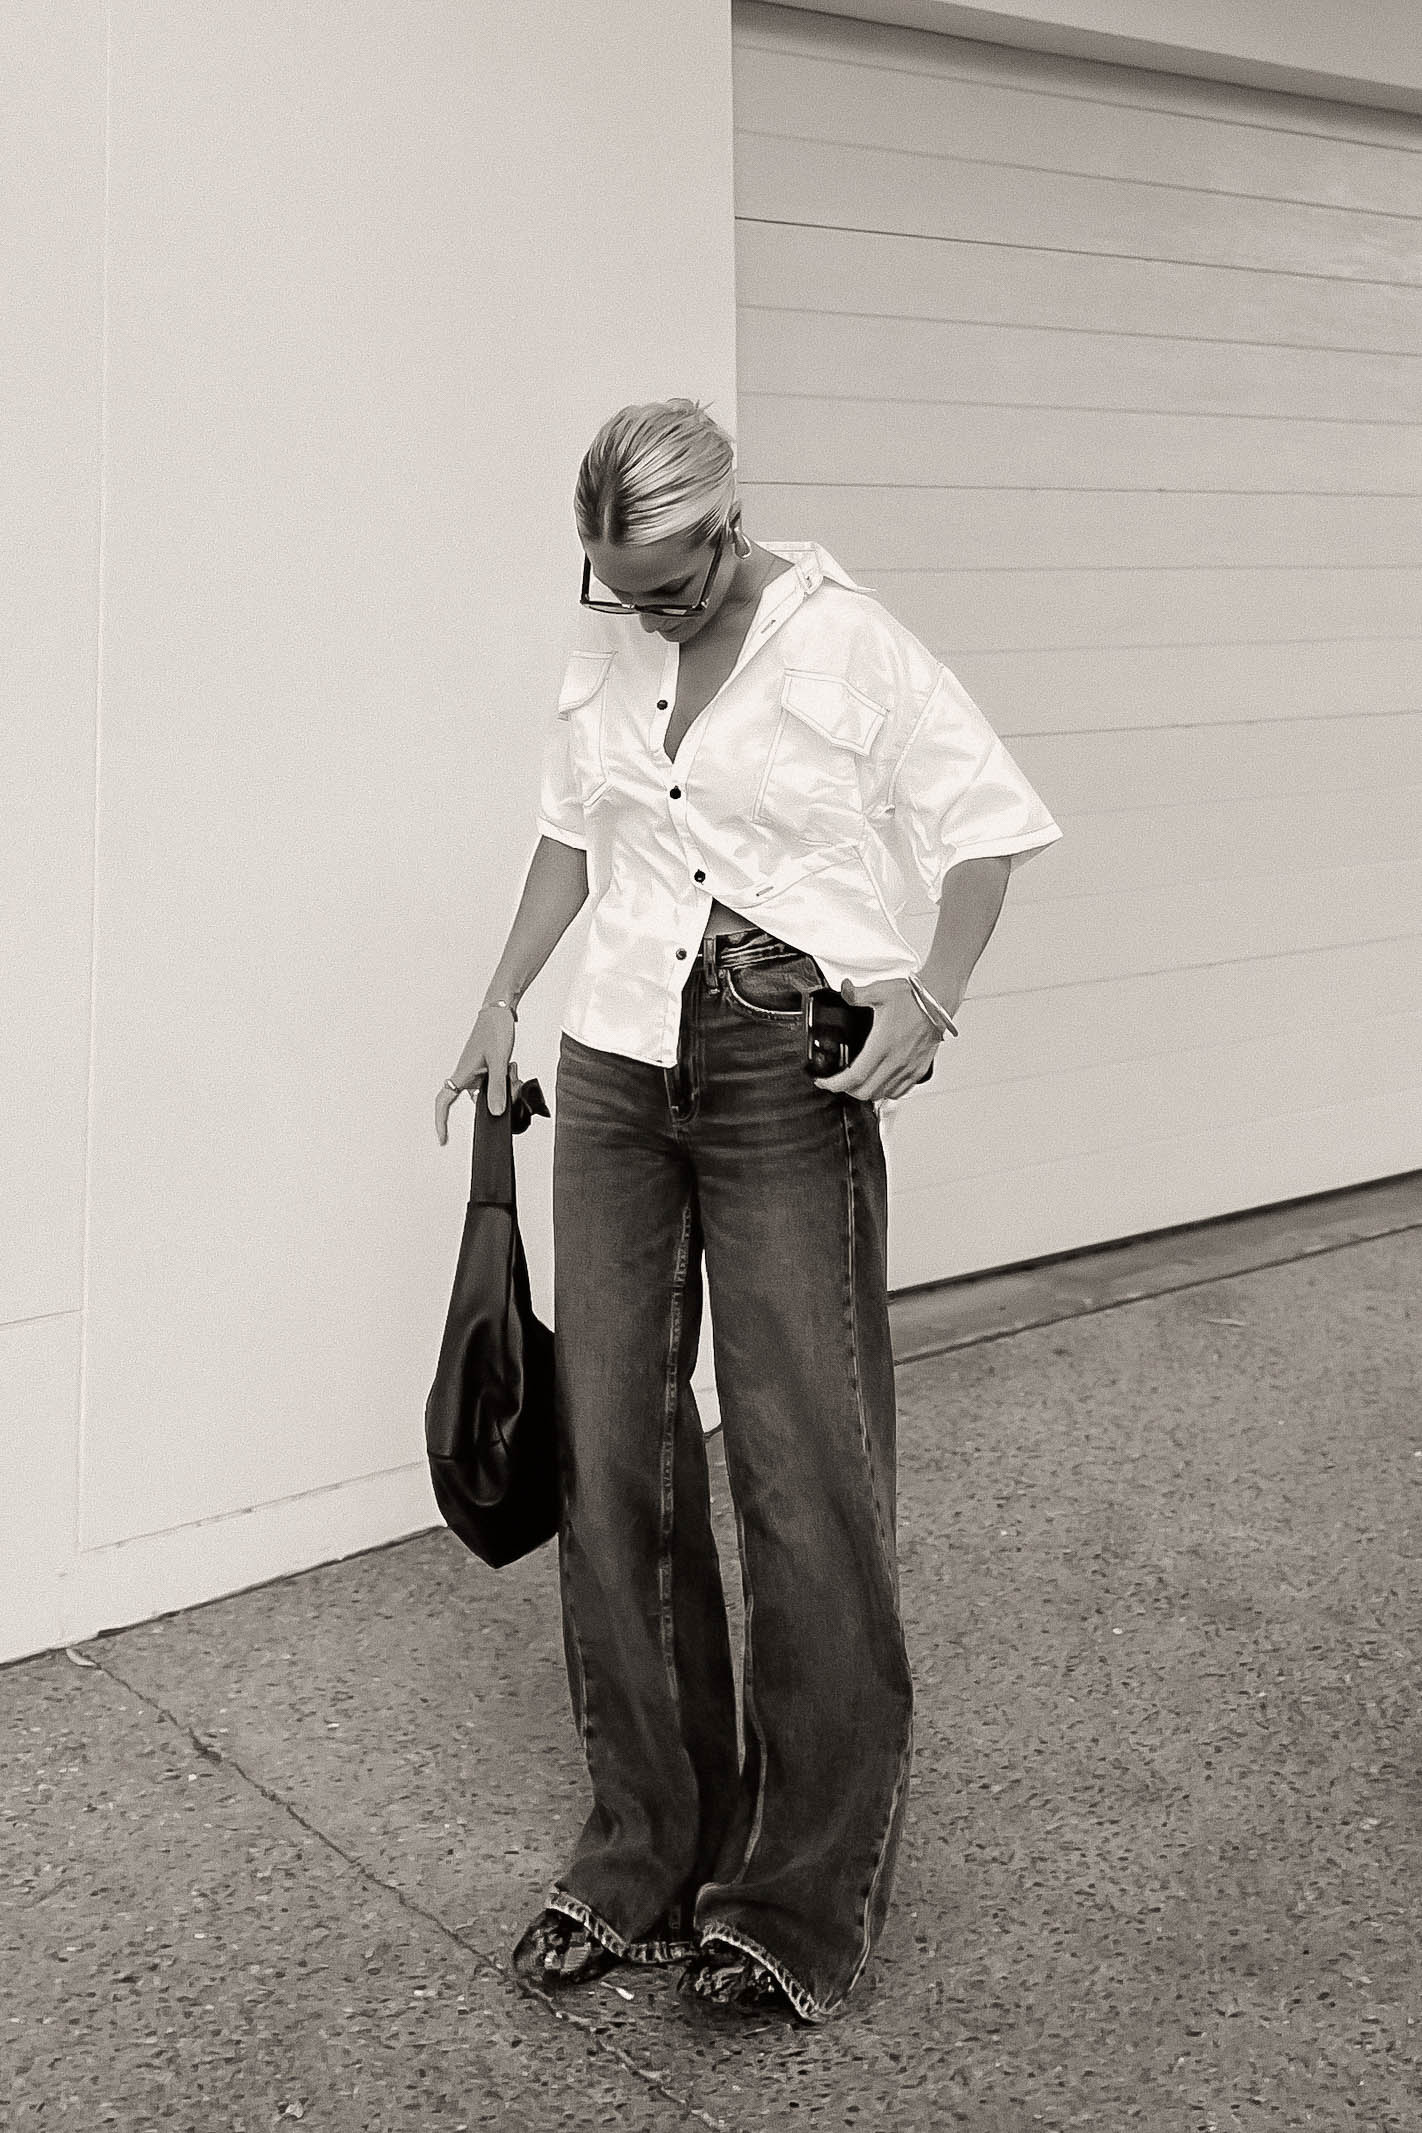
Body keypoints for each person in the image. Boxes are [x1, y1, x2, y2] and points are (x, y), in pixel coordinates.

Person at [435, 398, 1061, 2023]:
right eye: (611, 588)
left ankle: (794, 1894)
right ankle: (644, 1851)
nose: (638, 611)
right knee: (616, 1454)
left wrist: (931, 997)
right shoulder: (618, 650)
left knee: (802, 1467)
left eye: (658, 581)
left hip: (784, 1054)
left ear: (724, 525)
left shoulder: (849, 647)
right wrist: (498, 997)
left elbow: (987, 831)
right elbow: (576, 831)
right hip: (621, 1055)